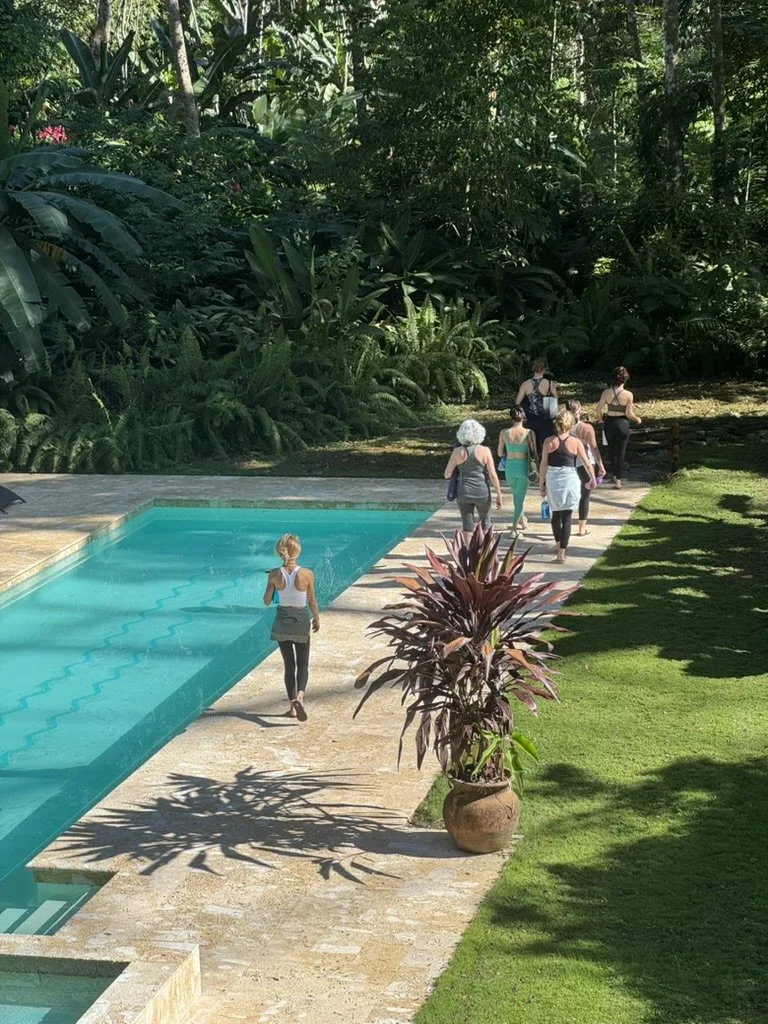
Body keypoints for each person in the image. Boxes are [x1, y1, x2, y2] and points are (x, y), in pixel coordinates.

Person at [263, 533, 320, 721]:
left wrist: (271, 584)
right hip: (301, 619)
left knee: (289, 665)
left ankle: (292, 707)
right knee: (303, 663)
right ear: (297, 551)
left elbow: (266, 601)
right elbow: (312, 601)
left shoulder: (274, 574)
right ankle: (300, 697)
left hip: (282, 620)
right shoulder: (306, 574)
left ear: (280, 552)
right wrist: (316, 619)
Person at [540, 408, 596, 563]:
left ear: (556, 424)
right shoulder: (576, 442)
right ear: (571, 425)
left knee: (555, 514)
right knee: (567, 516)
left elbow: (543, 463)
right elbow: (587, 463)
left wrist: (541, 484)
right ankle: (562, 552)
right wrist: (593, 478)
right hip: (569, 478)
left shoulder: (548, 441)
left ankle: (558, 544)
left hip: (553, 478)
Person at [444, 418, 503, 540]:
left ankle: (468, 551)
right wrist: (499, 494)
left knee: (467, 526)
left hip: (463, 491)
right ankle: (486, 549)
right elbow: (493, 475)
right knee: (485, 522)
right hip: (482, 491)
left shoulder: (457, 451)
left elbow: (447, 474)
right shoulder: (485, 451)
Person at [596, 366, 642, 489]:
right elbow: (629, 414)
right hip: (622, 423)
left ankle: (615, 475)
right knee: (621, 452)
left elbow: (598, 408)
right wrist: (637, 419)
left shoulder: (606, 392)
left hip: (609, 422)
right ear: (625, 379)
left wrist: (600, 420)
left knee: (611, 450)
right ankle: (619, 481)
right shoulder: (628, 395)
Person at [565, 399, 606, 536]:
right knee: (585, 495)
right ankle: (581, 528)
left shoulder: (561, 427)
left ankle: (564, 524)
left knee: (568, 494)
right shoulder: (586, 428)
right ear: (579, 410)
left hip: (567, 462)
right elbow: (594, 448)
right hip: (585, 463)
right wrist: (600, 465)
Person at [497, 405, 537, 535]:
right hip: (522, 466)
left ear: (511, 417)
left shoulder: (504, 432)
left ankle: (522, 521)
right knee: (519, 498)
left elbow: (499, 453)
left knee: (516, 496)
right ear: (523, 417)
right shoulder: (529, 433)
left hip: (509, 467)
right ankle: (514, 528)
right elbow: (533, 452)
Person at [515, 358, 558, 457]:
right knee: (547, 442)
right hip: (546, 417)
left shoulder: (525, 384)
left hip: (531, 417)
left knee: (533, 443)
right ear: (544, 370)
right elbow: (555, 399)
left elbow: (517, 403)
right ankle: (546, 461)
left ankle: (534, 461)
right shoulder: (549, 383)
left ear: (533, 370)